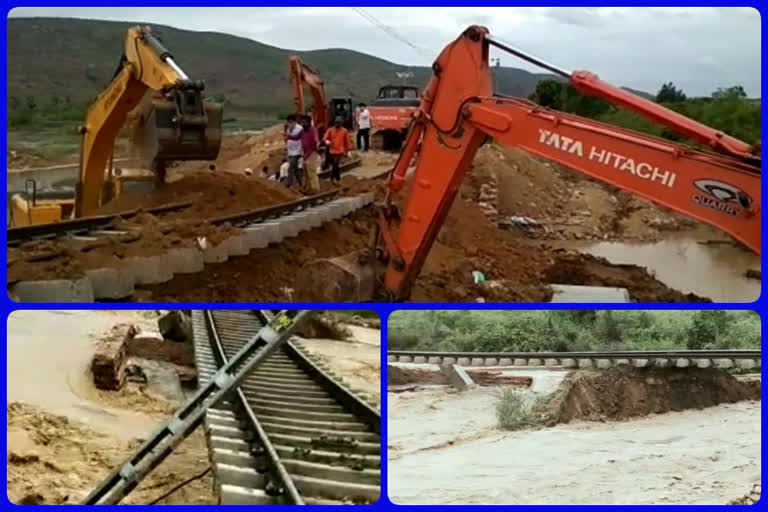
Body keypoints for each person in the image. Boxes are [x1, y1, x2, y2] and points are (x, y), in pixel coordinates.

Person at [323, 116, 352, 184]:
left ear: (341, 123)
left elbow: (347, 141)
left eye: (339, 123)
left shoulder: (344, 131)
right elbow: (325, 138)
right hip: (331, 150)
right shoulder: (330, 130)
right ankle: (338, 178)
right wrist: (327, 141)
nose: (337, 124)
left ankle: (332, 178)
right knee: (335, 165)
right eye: (336, 122)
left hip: (340, 151)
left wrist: (348, 150)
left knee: (335, 164)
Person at [299, 115, 321, 193]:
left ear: (309, 122)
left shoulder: (313, 130)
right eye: (302, 122)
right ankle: (307, 188)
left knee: (311, 171)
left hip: (312, 152)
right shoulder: (302, 131)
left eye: (304, 122)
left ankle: (315, 189)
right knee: (305, 171)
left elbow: (315, 140)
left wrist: (317, 143)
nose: (303, 124)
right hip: (305, 153)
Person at [283, 114, 304, 188]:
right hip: (291, 151)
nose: (289, 123)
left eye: (291, 122)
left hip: (297, 151)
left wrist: (288, 135)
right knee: (295, 170)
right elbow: (287, 138)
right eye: (288, 122)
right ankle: (301, 184)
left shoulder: (300, 128)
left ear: (295, 121)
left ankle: (288, 184)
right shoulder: (289, 129)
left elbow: (296, 137)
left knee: (290, 168)